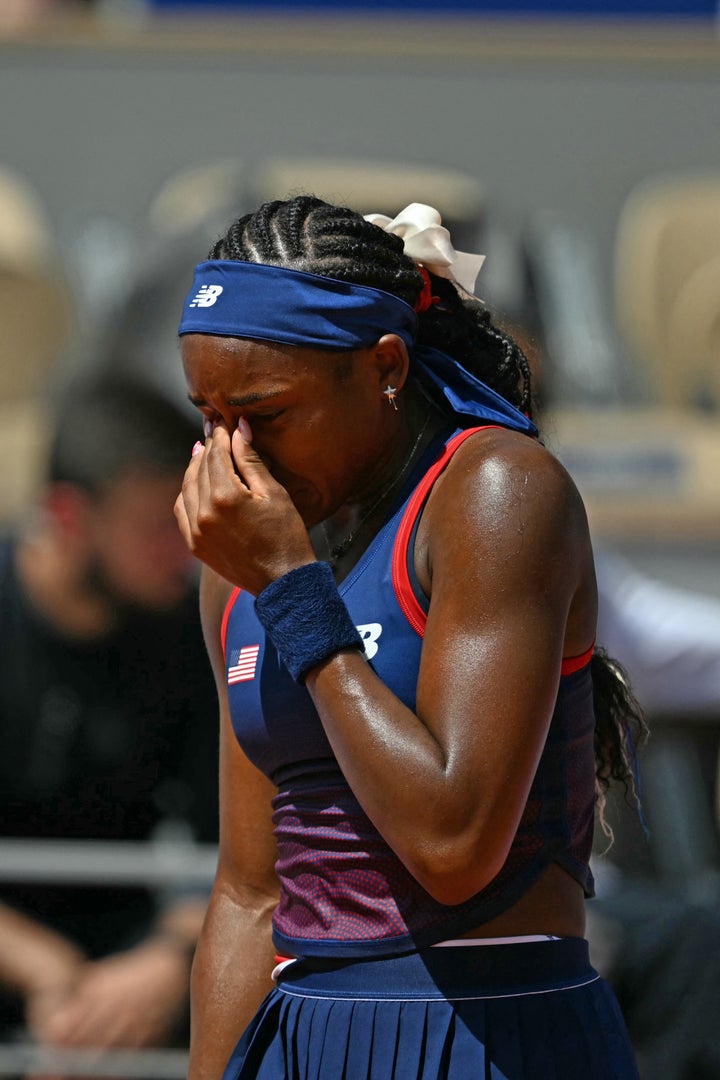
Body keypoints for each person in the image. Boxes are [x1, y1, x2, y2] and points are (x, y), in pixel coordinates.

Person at [173, 196, 646, 1079]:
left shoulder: (498, 494)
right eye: (207, 415)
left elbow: (453, 846)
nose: (232, 456)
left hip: (493, 1031)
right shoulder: (245, 560)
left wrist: (292, 591)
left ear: (385, 367)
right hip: (301, 1031)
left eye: (265, 415)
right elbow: (248, 890)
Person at [0, 374, 219, 1062]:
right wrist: (50, 973)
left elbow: (234, 834)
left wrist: (164, 964)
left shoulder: (186, 631)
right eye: (157, 527)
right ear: (68, 516)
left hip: (134, 957)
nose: (183, 552)